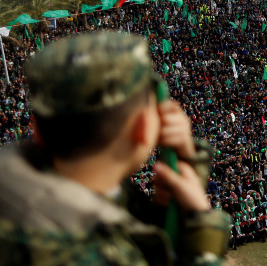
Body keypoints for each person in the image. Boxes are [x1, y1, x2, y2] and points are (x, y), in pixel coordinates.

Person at [0, 32, 230, 264]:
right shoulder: (84, 254)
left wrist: (183, 163)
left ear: (36, 129)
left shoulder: (20, 194)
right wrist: (203, 234)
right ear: (142, 128)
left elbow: (125, 234)